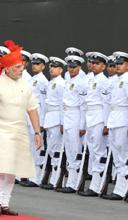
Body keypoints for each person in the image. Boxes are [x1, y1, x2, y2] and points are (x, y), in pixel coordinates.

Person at [0, 42, 41, 216]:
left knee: (13, 168)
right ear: (9, 68)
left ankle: (5, 202)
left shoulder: (25, 85)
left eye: (22, 66)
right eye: (18, 67)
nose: (21, 70)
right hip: (0, 130)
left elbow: (32, 109)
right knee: (0, 166)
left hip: (19, 131)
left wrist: (37, 132)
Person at [102, 51, 128, 200]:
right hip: (115, 119)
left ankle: (122, 189)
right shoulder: (115, 81)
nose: (118, 66)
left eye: (121, 64)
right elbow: (110, 104)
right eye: (116, 64)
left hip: (124, 119)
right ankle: (118, 188)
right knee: (116, 155)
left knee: (124, 154)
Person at [78, 52, 111, 197]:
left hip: (99, 117)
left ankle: (97, 185)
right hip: (90, 116)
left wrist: (106, 123)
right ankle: (93, 183)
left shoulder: (104, 81)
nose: (94, 65)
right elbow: (85, 103)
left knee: (98, 150)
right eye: (93, 63)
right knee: (91, 150)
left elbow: (106, 104)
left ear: (103, 66)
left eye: (97, 63)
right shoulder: (89, 79)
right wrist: (83, 124)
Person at [57, 55, 86, 193]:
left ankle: (74, 183)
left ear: (79, 67)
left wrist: (82, 125)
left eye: (74, 67)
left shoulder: (81, 81)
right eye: (69, 67)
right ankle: (70, 180)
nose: (71, 69)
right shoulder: (67, 79)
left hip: (76, 115)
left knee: (75, 148)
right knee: (68, 148)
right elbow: (63, 103)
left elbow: (82, 105)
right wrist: (62, 122)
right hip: (67, 115)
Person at [20, 53, 49, 187]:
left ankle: (36, 177)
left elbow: (43, 103)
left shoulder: (43, 81)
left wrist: (41, 122)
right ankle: (24, 174)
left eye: (38, 64)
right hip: (27, 114)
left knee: (36, 146)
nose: (35, 66)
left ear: (43, 66)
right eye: (33, 64)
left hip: (37, 115)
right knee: (27, 145)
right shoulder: (32, 79)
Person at [40, 57, 66, 190]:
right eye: (51, 66)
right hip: (50, 117)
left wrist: (62, 122)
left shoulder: (61, 83)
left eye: (55, 67)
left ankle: (56, 179)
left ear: (61, 70)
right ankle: (51, 177)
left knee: (56, 150)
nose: (51, 69)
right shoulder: (51, 82)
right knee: (50, 148)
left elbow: (63, 104)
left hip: (57, 117)